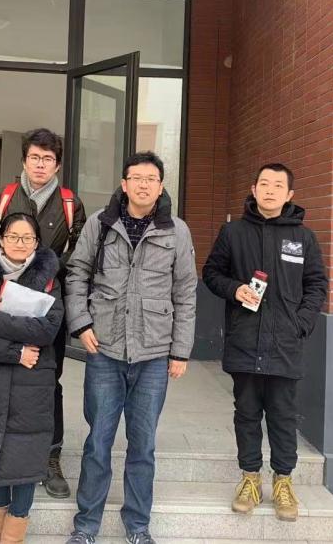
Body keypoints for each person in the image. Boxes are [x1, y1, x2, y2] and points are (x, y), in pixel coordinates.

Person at [63, 151, 197, 544]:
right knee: (98, 442)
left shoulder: (176, 231)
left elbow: (185, 292)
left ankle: (137, 525)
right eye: (136, 178)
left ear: (160, 186)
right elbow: (77, 273)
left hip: (154, 354)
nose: (143, 185)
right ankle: (86, 526)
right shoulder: (100, 224)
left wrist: (180, 351)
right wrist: (80, 322)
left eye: (151, 179)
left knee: (143, 445)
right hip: (105, 349)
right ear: (124, 184)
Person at [202, 162, 328, 521]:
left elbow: (316, 284)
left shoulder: (303, 238)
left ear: (289, 195)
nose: (270, 190)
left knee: (283, 416)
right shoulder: (233, 233)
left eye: (278, 185)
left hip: (285, 344)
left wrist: (300, 324)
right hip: (245, 339)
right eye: (264, 184)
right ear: (254, 189)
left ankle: (284, 482)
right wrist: (235, 289)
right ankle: (250, 479)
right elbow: (211, 272)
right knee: (246, 413)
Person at [0, 127, 85, 498]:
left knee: (47, 380)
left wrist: (45, 269)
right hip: (5, 300)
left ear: (57, 165)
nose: (40, 164)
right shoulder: (5, 197)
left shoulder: (70, 203)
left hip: (48, 303)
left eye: (48, 159)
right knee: (3, 375)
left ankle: (50, 456)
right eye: (35, 157)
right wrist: (9, 268)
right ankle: (1, 454)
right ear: (24, 160)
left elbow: (81, 250)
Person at [0, 212, 64, 544]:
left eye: (27, 238)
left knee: (25, 454)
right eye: (13, 236)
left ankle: (13, 535)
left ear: (36, 242)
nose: (20, 243)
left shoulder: (50, 280)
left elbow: (47, 330)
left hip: (32, 383)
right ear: (1, 239)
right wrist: (16, 351)